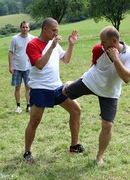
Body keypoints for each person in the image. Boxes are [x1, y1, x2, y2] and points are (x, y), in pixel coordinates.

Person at [63, 26, 130, 165]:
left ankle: (99, 157)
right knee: (64, 92)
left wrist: (115, 59)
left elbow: (127, 79)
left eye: (104, 41)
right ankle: (70, 84)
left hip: (110, 92)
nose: (101, 44)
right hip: (91, 81)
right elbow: (94, 63)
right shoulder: (100, 49)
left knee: (107, 125)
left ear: (114, 41)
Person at [23, 17, 84, 163]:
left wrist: (71, 45)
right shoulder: (32, 44)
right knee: (35, 121)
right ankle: (27, 152)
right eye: (54, 30)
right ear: (45, 29)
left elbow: (66, 59)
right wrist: (51, 46)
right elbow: (39, 64)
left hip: (57, 87)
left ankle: (74, 146)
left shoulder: (54, 43)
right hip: (40, 88)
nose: (56, 33)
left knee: (76, 110)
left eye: (57, 30)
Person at [8, 21, 34, 113]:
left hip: (28, 67)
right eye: (23, 27)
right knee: (17, 87)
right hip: (17, 67)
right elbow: (11, 52)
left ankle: (29, 106)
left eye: (26, 27)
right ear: (20, 28)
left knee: (28, 87)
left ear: (29, 28)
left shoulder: (32, 38)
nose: (25, 29)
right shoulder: (14, 39)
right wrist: (10, 66)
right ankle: (18, 106)